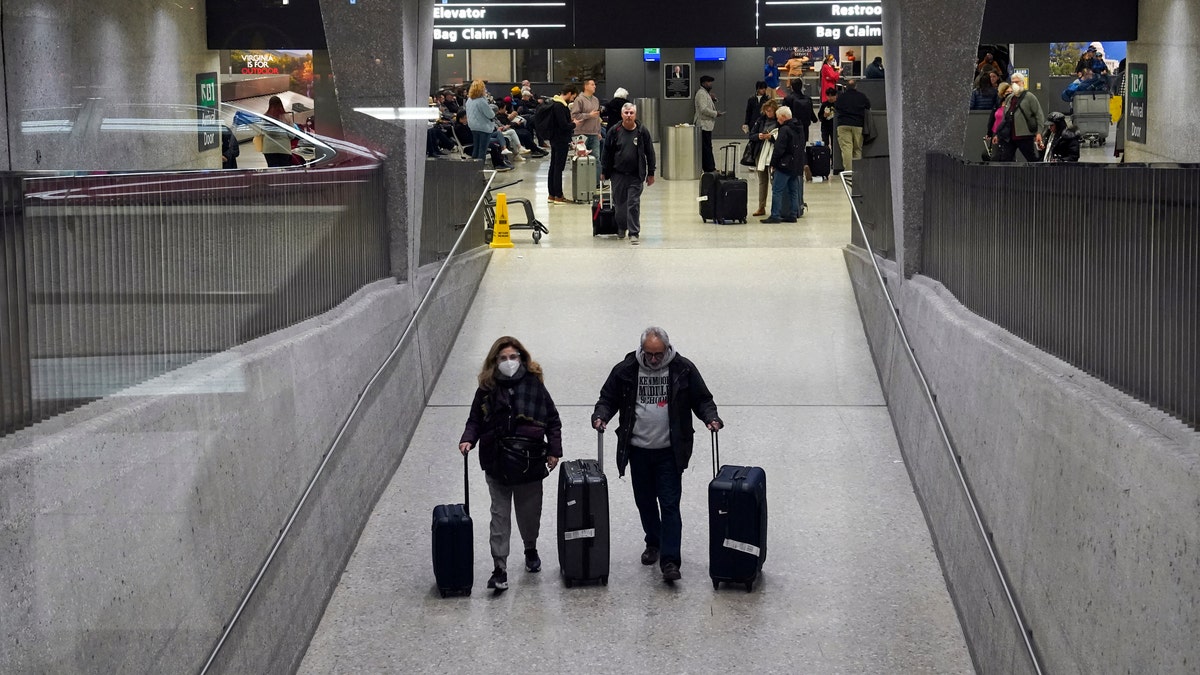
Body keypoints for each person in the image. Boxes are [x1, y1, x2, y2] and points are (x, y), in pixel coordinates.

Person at [591, 327, 723, 583]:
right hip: (638, 451)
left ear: (667, 349)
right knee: (645, 502)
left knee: (670, 504)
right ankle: (654, 541)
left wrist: (711, 418)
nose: (653, 360)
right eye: (649, 354)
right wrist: (600, 416)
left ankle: (671, 561)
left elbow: (702, 399)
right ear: (641, 350)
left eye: (658, 355)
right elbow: (608, 398)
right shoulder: (626, 370)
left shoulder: (683, 369)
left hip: (669, 452)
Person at [459, 336, 563, 593]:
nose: (509, 362)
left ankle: (530, 548)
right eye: (503, 358)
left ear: (522, 358)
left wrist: (554, 451)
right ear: (495, 361)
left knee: (529, 513)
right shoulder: (487, 388)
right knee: (499, 515)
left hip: (529, 462)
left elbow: (552, 419)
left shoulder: (534, 385)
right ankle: (499, 568)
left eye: (513, 357)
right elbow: (475, 419)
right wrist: (467, 439)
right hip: (496, 462)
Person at [600, 103, 656, 244]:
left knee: (633, 203)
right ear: (621, 114)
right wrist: (604, 171)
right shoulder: (614, 131)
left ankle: (634, 232)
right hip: (617, 174)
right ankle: (621, 227)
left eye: (631, 113)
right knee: (619, 205)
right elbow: (606, 152)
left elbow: (650, 152)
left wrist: (651, 173)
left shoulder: (642, 131)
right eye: (626, 113)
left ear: (635, 115)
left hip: (635, 175)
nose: (629, 115)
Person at [762, 105, 804, 223]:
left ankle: (775, 215)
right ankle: (793, 214)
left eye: (778, 118)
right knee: (793, 191)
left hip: (784, 165)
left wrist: (773, 163)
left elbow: (779, 149)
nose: (777, 120)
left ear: (784, 117)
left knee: (777, 190)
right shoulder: (799, 128)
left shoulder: (784, 129)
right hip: (795, 165)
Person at [541, 83, 578, 204]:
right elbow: (563, 125)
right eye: (573, 97)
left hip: (554, 138)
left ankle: (551, 195)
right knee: (558, 168)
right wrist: (574, 124)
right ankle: (558, 195)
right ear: (569, 93)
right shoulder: (560, 106)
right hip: (561, 139)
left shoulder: (553, 103)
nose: (572, 100)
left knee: (553, 166)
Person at [997, 73, 1045, 162]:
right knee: (1006, 160)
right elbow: (1005, 117)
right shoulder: (1009, 98)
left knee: (1031, 159)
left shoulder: (1030, 97)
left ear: (1023, 83)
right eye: (1013, 82)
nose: (1015, 84)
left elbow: (1039, 115)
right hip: (1009, 136)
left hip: (1025, 135)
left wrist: (1039, 133)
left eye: (1017, 82)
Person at [465, 79, 512, 169]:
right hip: (483, 128)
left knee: (476, 149)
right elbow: (490, 114)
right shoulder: (481, 101)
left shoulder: (469, 100)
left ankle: (472, 169)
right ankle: (479, 172)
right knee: (482, 150)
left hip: (473, 127)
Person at [747, 99, 779, 217]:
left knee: (774, 182)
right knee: (762, 182)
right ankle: (761, 207)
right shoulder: (760, 120)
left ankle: (776, 207)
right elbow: (751, 135)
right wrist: (759, 136)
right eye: (766, 111)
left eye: (770, 111)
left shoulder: (779, 121)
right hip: (760, 154)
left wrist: (771, 137)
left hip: (773, 154)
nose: (768, 113)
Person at [834, 79, 871, 172]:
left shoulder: (841, 97)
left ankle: (849, 172)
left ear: (846, 87)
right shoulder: (861, 96)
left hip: (843, 124)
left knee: (847, 148)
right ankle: (857, 172)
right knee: (857, 149)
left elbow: (836, 107)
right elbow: (868, 106)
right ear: (856, 86)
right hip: (858, 125)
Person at [571, 78, 603, 184]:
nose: (595, 86)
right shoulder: (579, 99)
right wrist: (589, 115)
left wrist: (598, 131)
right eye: (592, 84)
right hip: (581, 133)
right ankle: (582, 183)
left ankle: (597, 183)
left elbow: (597, 117)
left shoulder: (596, 100)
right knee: (581, 159)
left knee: (596, 159)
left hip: (594, 133)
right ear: (586, 86)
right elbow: (574, 116)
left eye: (595, 84)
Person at [256, 95, 295, 168]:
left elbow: (261, 132)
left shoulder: (265, 117)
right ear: (281, 104)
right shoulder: (286, 117)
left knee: (273, 170)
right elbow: (292, 135)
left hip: (269, 148)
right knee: (284, 170)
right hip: (284, 148)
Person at [694, 75, 722, 173]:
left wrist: (713, 99)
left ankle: (710, 167)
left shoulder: (705, 93)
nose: (711, 84)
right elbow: (703, 109)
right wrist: (715, 113)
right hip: (703, 124)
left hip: (706, 125)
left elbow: (707, 104)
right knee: (706, 148)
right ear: (703, 83)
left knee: (707, 147)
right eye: (709, 82)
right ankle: (709, 168)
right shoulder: (701, 93)